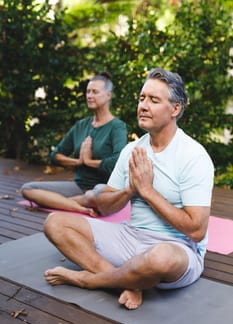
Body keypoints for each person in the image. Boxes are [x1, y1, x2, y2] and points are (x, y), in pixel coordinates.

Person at [43, 68, 214, 310]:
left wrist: (148, 192)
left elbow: (196, 230)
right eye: (142, 98)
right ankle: (125, 282)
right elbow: (104, 207)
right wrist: (129, 191)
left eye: (154, 100)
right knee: (55, 223)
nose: (143, 105)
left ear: (175, 109)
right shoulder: (131, 151)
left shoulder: (193, 156)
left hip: (176, 248)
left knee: (160, 258)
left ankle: (88, 280)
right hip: (130, 237)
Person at [21, 72, 127, 216]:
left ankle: (56, 201)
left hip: (104, 188)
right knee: (28, 189)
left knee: (93, 196)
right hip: (78, 187)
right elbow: (55, 155)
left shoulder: (117, 126)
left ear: (108, 95)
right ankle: (80, 207)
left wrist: (89, 161)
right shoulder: (81, 125)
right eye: (88, 91)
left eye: (95, 92)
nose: (89, 95)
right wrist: (78, 161)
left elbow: (118, 162)